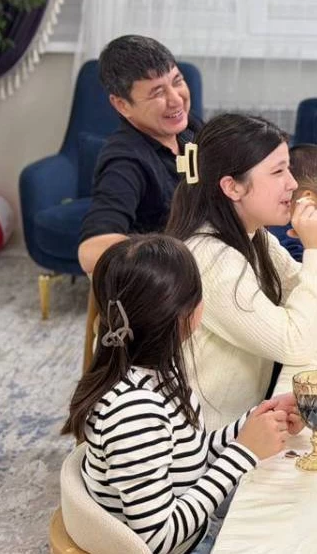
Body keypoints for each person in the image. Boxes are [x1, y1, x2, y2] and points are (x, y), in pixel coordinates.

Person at [62, 235, 303, 554]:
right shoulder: (135, 411)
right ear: (187, 314)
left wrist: (255, 422)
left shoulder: (152, 372)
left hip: (196, 530)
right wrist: (243, 453)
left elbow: (187, 457)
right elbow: (158, 540)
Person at [166, 114, 317, 426]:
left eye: (288, 168)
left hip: (247, 422)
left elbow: (314, 303)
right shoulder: (210, 257)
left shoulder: (253, 234)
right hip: (207, 441)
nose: (292, 183)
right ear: (232, 187)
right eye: (278, 171)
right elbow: (296, 343)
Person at [78, 35, 203, 274]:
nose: (176, 100)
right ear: (122, 105)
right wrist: (169, 251)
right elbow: (90, 251)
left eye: (177, 81)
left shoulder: (189, 128)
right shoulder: (125, 162)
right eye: (157, 93)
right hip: (176, 278)